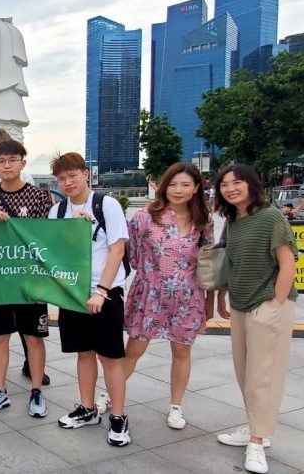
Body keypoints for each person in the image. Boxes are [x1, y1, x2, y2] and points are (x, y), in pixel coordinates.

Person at [213, 164, 298, 474]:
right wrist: (222, 296)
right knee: (244, 371)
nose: (231, 188)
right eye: (224, 185)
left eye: (237, 182)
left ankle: (257, 442)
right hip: (239, 302)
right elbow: (229, 263)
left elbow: (287, 264)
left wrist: (276, 303)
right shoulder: (234, 221)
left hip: (267, 304)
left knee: (263, 375)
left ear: (251, 184)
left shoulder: (271, 217)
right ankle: (254, 428)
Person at [121, 162, 214, 430]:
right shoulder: (144, 216)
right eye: (172, 184)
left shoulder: (203, 220)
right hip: (150, 293)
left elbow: (208, 259)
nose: (178, 190)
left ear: (196, 188)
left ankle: (176, 406)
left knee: (181, 351)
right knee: (134, 349)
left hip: (187, 297)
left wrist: (210, 299)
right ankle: (110, 394)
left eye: (185, 184)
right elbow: (131, 253)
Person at [49, 152, 131, 447]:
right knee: (83, 353)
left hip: (105, 293)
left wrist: (102, 291)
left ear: (86, 174)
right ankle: (87, 407)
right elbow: (55, 253)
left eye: (72, 175)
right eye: (61, 178)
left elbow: (118, 250)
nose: (67, 182)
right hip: (74, 293)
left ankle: (119, 416)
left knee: (109, 356)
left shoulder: (106, 204)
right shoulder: (57, 212)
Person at [0, 140, 53, 417]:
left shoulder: (40, 197)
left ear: (23, 163)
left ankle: (37, 391)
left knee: (33, 337)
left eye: (12, 160)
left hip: (30, 281)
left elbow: (49, 237)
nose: (7, 165)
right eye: (1, 161)